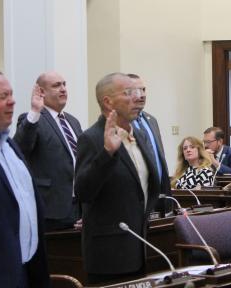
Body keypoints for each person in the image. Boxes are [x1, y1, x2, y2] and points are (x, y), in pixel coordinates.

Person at [75, 72, 162, 284]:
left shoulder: (140, 135)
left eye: (141, 91)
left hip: (141, 248)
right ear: (108, 101)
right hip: (110, 255)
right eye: (129, 92)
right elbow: (84, 191)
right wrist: (107, 153)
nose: (139, 96)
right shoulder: (92, 138)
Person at [0, 69, 50, 287]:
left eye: (12, 94)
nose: (12, 102)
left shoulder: (9, 146)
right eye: (3, 96)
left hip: (27, 272)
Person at [14, 71, 82, 231]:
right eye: (56, 85)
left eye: (64, 84)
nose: (63, 89)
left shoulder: (73, 121)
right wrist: (34, 112)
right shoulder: (31, 118)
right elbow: (20, 149)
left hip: (78, 208)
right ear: (41, 92)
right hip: (50, 210)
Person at [128, 73, 171, 213]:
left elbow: (159, 158)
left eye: (144, 90)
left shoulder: (151, 120)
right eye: (136, 90)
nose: (142, 95)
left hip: (160, 194)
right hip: (138, 197)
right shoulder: (122, 122)